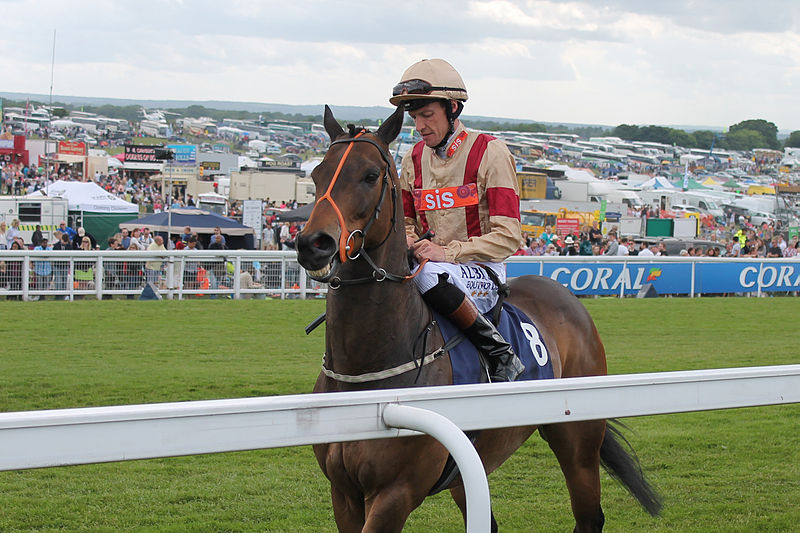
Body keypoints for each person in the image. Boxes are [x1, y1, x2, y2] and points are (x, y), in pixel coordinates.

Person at [392, 58, 524, 382]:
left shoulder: (491, 152)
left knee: (429, 274)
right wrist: (407, 239)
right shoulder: (412, 158)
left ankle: (499, 352)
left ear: (453, 108)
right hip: (430, 264)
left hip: (481, 270)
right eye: (414, 117)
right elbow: (406, 221)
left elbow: (509, 237)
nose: (420, 126)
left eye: (427, 115)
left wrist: (446, 253)